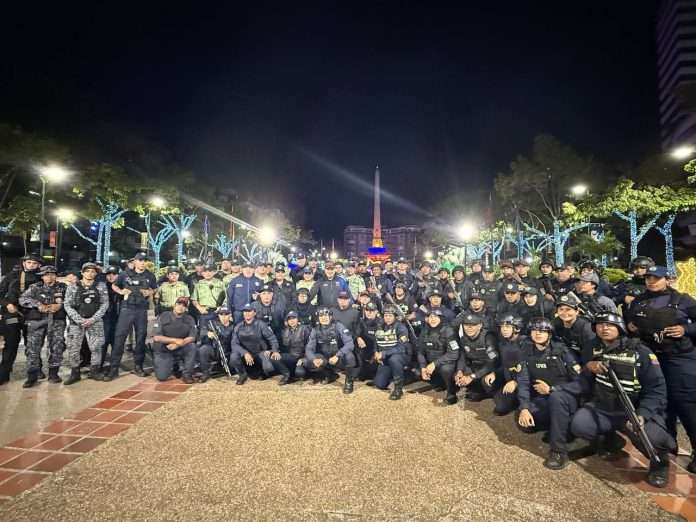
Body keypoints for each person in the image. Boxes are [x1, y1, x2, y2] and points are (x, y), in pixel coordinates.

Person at [571, 312, 675, 487]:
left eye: (609, 325)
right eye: (600, 325)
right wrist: (589, 365)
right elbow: (584, 364)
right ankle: (611, 441)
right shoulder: (592, 347)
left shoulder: (640, 352)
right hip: (605, 407)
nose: (604, 328)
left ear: (620, 327)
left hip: (634, 409)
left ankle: (660, 463)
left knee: (652, 437)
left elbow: (657, 389)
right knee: (580, 425)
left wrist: (643, 414)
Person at [625, 265, 696, 473]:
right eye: (648, 277)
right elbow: (629, 322)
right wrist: (630, 326)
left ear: (667, 279)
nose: (651, 281)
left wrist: (685, 329)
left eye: (656, 278)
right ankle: (667, 445)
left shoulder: (683, 300)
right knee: (660, 404)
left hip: (679, 359)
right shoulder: (639, 301)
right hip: (651, 358)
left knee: (686, 404)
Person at [517, 317, 581, 470]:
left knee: (556, 398)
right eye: (534, 330)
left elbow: (580, 383)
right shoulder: (526, 351)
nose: (538, 333)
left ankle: (559, 451)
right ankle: (559, 429)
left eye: (542, 331)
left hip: (566, 398)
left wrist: (553, 389)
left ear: (550, 334)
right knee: (525, 424)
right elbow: (523, 381)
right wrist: (524, 408)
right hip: (543, 398)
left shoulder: (563, 351)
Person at [106, 252, 157, 380]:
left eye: (144, 261)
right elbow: (114, 285)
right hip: (127, 309)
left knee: (140, 339)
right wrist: (121, 291)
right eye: (140, 260)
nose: (142, 263)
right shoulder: (125, 274)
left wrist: (150, 292)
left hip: (141, 310)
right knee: (119, 338)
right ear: (135, 262)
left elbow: (154, 288)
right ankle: (114, 368)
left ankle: (138, 366)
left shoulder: (150, 275)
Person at [18, 265, 67, 387]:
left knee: (57, 347)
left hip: (56, 321)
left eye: (52, 274)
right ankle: (32, 375)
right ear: (42, 277)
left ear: (56, 276)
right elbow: (22, 299)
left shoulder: (63, 288)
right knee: (33, 348)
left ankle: (53, 374)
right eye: (46, 275)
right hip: (37, 321)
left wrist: (60, 305)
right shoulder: (35, 287)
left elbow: (72, 300)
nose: (49, 277)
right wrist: (38, 304)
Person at [63, 262, 110, 385]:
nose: (90, 273)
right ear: (82, 273)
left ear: (96, 273)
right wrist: (79, 320)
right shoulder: (73, 286)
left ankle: (94, 371)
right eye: (87, 271)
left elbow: (104, 304)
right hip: (76, 323)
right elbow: (67, 305)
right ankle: (75, 373)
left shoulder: (101, 286)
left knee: (96, 347)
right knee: (74, 347)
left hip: (95, 322)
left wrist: (93, 319)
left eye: (93, 271)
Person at [0, 254, 42, 384]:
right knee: (10, 344)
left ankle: (36, 369)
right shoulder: (12, 276)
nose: (31, 265)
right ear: (24, 263)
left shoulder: (41, 277)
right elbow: (1, 293)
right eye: (29, 262)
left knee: (32, 344)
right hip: (12, 315)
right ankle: (4, 373)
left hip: (32, 315)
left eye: (34, 263)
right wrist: (7, 304)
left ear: (39, 265)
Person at [230, 304, 290, 385]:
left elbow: (272, 338)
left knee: (268, 368)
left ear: (254, 313)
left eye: (249, 311)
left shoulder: (261, 324)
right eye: (245, 311)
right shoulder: (238, 326)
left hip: (260, 353)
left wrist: (275, 350)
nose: (247, 313)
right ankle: (242, 375)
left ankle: (266, 372)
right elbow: (234, 344)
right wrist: (245, 353)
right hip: (246, 355)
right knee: (233, 357)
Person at [303, 307, 358, 393]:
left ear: (330, 317)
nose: (323, 318)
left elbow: (350, 344)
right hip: (325, 358)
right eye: (321, 316)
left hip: (338, 358)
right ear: (318, 318)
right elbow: (309, 348)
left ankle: (349, 381)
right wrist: (314, 359)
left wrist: (338, 355)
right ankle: (329, 375)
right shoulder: (315, 330)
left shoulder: (339, 326)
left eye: (326, 315)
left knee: (349, 356)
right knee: (307, 361)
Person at [417, 309, 461, 405]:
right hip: (431, 362)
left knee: (446, 369)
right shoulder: (424, 331)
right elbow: (420, 351)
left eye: (435, 317)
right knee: (417, 371)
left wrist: (434, 364)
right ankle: (440, 383)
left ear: (441, 318)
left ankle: (451, 392)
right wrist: (423, 367)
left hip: (446, 362)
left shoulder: (449, 331)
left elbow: (454, 354)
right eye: (430, 317)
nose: (432, 319)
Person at [151, 297, 197, 384]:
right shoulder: (163, 316)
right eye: (179, 304)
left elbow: (192, 337)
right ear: (174, 305)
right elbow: (156, 337)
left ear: (186, 308)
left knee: (192, 347)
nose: (181, 307)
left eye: (184, 306)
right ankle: (171, 364)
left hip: (180, 347)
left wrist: (179, 344)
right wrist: (175, 341)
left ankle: (187, 374)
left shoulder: (190, 319)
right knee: (162, 377)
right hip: (164, 349)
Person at [454, 313, 499, 401]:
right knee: (456, 374)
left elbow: (493, 361)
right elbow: (462, 357)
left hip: (489, 368)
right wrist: (459, 371)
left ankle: (489, 394)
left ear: (480, 326)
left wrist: (473, 376)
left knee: (486, 381)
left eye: (473, 325)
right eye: (466, 325)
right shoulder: (463, 339)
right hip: (474, 366)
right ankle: (475, 390)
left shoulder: (488, 337)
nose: (469, 328)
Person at [372, 305, 411, 400]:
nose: (388, 318)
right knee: (379, 384)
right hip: (386, 357)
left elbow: (401, 348)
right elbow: (376, 341)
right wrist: (376, 351)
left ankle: (398, 389)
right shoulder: (380, 326)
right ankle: (394, 375)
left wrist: (383, 354)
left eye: (390, 315)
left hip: (401, 356)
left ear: (395, 316)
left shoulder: (401, 327)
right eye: (386, 315)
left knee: (394, 359)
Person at [491, 315, 527, 415]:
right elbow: (505, 365)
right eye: (502, 327)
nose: (504, 330)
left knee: (502, 407)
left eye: (507, 327)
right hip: (510, 378)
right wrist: (494, 373)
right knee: (488, 384)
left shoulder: (526, 343)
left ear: (517, 328)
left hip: (524, 382)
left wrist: (515, 382)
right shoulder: (503, 343)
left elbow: (531, 369)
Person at [552, 294, 597, 364]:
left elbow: (590, 351)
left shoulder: (586, 327)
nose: (564, 313)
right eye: (561, 309)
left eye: (568, 309)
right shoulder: (555, 323)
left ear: (577, 311)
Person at [197, 306, 234, 382]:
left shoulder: (234, 326)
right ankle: (205, 373)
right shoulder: (212, 323)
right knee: (204, 349)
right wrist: (207, 333)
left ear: (230, 315)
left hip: (228, 352)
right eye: (221, 314)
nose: (223, 317)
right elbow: (201, 332)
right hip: (215, 350)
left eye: (226, 314)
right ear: (218, 315)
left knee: (232, 369)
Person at [192, 263, 227, 330]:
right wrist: (199, 308)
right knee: (204, 333)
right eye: (205, 271)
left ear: (214, 272)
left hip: (217, 312)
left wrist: (221, 307)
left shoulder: (220, 283)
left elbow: (226, 297)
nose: (208, 273)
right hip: (204, 312)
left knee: (218, 332)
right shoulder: (198, 284)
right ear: (202, 273)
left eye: (210, 271)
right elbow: (194, 299)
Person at [279, 311, 312, 382]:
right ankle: (287, 375)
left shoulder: (305, 329)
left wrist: (303, 359)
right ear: (287, 321)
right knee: (275, 357)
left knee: (300, 373)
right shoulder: (285, 331)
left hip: (302, 357)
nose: (292, 321)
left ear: (298, 319)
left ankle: (304, 372)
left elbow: (309, 347)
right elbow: (284, 348)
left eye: (294, 318)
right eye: (289, 319)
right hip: (292, 357)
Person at [101, 266, 121, 370]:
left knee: (116, 343)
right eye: (109, 274)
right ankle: (99, 365)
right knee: (103, 342)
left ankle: (114, 366)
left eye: (114, 274)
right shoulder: (102, 287)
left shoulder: (122, 287)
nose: (111, 276)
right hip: (105, 319)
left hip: (119, 319)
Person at [356, 302, 381, 380]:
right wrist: (358, 338)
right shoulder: (361, 321)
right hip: (366, 350)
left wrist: (376, 352)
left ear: (376, 312)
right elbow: (356, 333)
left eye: (372, 310)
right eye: (367, 310)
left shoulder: (381, 323)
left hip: (378, 350)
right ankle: (362, 372)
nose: (369, 312)